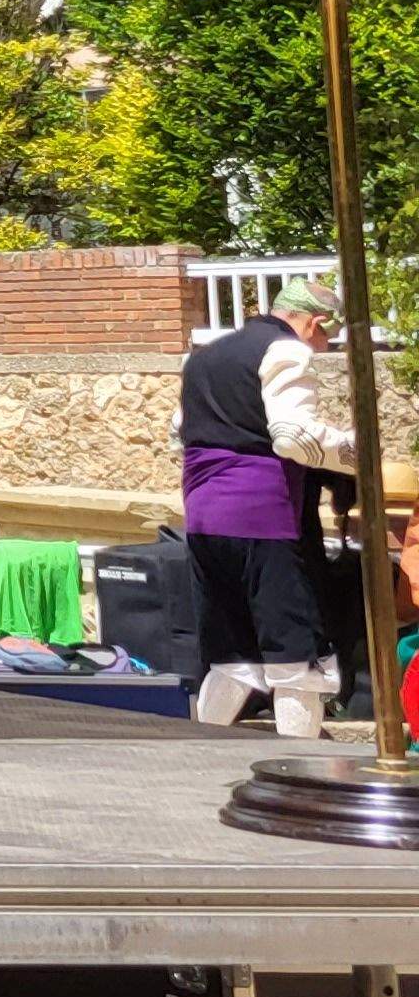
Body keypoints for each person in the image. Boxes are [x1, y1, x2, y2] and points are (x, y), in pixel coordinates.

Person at [177, 278, 359, 737]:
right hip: (264, 518)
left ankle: (200, 752)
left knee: (231, 652)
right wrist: (355, 451)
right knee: (295, 652)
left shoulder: (204, 356)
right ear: (315, 322)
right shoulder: (286, 351)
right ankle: (303, 766)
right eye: (326, 337)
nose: (322, 347)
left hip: (203, 516)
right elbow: (293, 436)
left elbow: (180, 430)